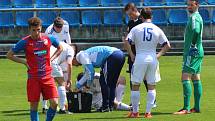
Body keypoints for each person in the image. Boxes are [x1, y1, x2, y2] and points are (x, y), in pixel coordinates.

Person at [6, 17, 63, 121]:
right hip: (33, 78)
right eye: (34, 30)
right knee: (34, 107)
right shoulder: (25, 42)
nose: (36, 33)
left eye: (38, 30)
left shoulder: (48, 38)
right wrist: (24, 62)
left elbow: (60, 48)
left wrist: (51, 59)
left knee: (55, 103)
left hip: (47, 76)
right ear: (29, 29)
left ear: (41, 28)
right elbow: (9, 55)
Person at [124, 8, 171, 118]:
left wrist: (131, 54)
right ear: (152, 17)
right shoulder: (157, 29)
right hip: (152, 58)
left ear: (141, 17)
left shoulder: (136, 28)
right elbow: (167, 45)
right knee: (151, 86)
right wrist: (158, 56)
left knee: (135, 85)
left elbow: (127, 41)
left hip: (140, 57)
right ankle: (148, 112)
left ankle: (135, 112)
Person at [73, 46, 125, 112]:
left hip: (112, 56)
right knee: (111, 83)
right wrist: (77, 86)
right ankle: (110, 106)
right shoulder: (84, 54)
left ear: (73, 58)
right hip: (120, 54)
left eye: (72, 63)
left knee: (104, 81)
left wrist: (87, 86)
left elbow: (91, 72)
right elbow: (87, 74)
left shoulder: (81, 56)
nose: (75, 66)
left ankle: (106, 106)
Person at [174, 0, 204, 115]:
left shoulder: (194, 17)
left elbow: (196, 31)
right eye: (188, 5)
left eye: (191, 5)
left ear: (197, 5)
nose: (189, 7)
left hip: (192, 51)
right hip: (198, 51)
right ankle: (196, 107)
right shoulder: (198, 16)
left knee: (185, 77)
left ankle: (186, 108)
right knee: (196, 77)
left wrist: (192, 45)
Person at [41, 42, 77, 114]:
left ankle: (44, 107)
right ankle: (62, 109)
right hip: (52, 62)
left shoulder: (62, 44)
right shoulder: (71, 50)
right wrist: (69, 80)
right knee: (62, 84)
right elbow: (69, 64)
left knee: (45, 85)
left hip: (42, 61)